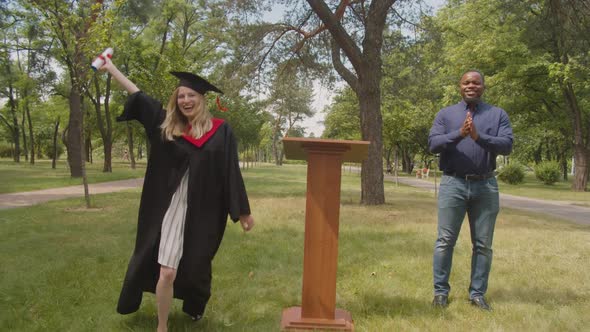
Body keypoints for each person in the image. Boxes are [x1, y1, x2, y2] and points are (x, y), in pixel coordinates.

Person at [99, 58, 255, 331]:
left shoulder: (221, 131)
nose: (185, 100)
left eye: (191, 95)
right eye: (181, 95)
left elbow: (231, 171)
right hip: (171, 207)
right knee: (167, 271)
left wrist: (242, 210)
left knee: (196, 268)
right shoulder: (168, 126)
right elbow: (139, 96)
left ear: (201, 99)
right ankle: (162, 325)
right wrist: (111, 69)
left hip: (203, 212)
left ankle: (194, 305)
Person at [428, 70, 513, 311]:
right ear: (460, 86)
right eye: (466, 82)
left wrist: (479, 136)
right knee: (445, 241)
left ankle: (477, 294)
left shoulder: (497, 115)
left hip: (485, 185)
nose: (471, 86)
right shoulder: (446, 114)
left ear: (483, 87)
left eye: (476, 82)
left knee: (483, 244)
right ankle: (440, 293)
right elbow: (433, 144)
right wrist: (460, 134)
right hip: (452, 184)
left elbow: (507, 145)